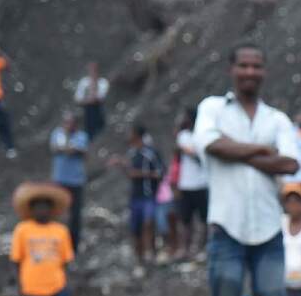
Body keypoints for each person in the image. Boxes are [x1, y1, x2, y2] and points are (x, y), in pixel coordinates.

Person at [193, 43, 300, 296]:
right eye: (244, 65)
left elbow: (290, 165)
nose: (250, 72)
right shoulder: (212, 108)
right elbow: (210, 146)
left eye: (257, 66)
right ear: (232, 69)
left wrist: (237, 150)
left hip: (268, 226)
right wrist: (262, 152)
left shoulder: (277, 118)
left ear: (264, 71)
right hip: (227, 223)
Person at [9, 183, 74, 296]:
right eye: (38, 206)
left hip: (56, 287)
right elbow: (16, 260)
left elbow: (66, 260)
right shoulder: (22, 229)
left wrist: (65, 284)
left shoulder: (61, 231)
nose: (42, 210)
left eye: (45, 206)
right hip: (31, 288)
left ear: (51, 209)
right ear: (32, 209)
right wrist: (20, 285)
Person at [119, 123, 164, 265]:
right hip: (135, 197)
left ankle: (152, 253)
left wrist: (141, 174)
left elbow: (160, 172)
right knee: (135, 229)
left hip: (148, 196)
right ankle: (140, 259)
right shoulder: (131, 153)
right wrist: (123, 167)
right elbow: (129, 174)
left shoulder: (150, 153)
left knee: (149, 223)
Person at [49, 112, 88, 247]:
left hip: (76, 182)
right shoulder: (57, 133)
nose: (67, 125)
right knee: (57, 212)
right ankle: (56, 241)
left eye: (70, 122)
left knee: (75, 215)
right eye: (65, 122)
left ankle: (74, 245)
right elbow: (55, 148)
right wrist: (67, 147)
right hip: (59, 180)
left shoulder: (81, 136)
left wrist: (66, 148)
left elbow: (76, 150)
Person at [175, 107, 209, 259]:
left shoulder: (201, 135)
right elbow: (192, 153)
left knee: (203, 219)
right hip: (187, 185)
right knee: (185, 219)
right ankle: (185, 249)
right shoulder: (183, 136)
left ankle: (201, 248)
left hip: (201, 184)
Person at [75, 62, 108, 140]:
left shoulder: (103, 82)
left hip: (99, 110)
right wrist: (89, 100)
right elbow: (78, 99)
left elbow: (101, 98)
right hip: (87, 111)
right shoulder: (84, 82)